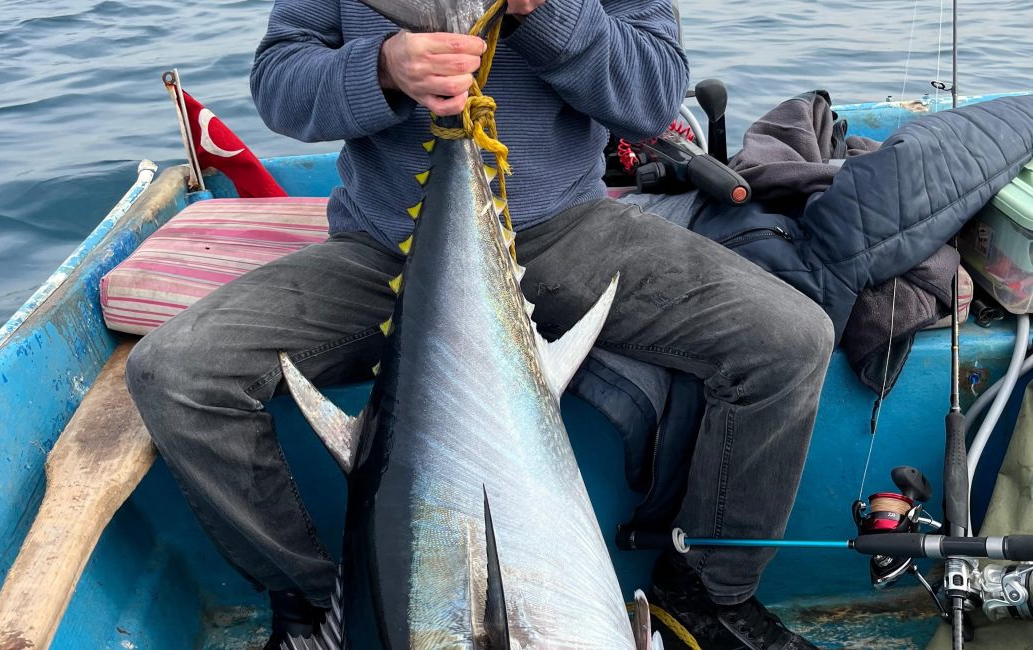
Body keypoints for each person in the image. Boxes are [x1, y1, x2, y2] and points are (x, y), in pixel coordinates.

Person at [124, 0, 835, 648]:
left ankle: (707, 594)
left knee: (788, 340)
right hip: (383, 251)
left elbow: (651, 95)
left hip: (570, 229)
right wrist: (382, 69)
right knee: (176, 374)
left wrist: (548, 14)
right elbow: (280, 83)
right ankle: (317, 607)